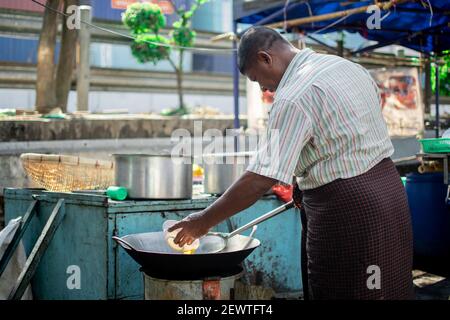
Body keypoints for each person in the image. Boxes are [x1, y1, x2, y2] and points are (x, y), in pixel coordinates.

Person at [169, 26, 414, 300]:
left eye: (256, 79)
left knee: (346, 288)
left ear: (265, 58)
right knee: (387, 286)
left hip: (348, 209)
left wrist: (203, 221)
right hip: (390, 192)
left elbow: (261, 178)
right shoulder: (346, 67)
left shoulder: (292, 97)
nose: (263, 88)